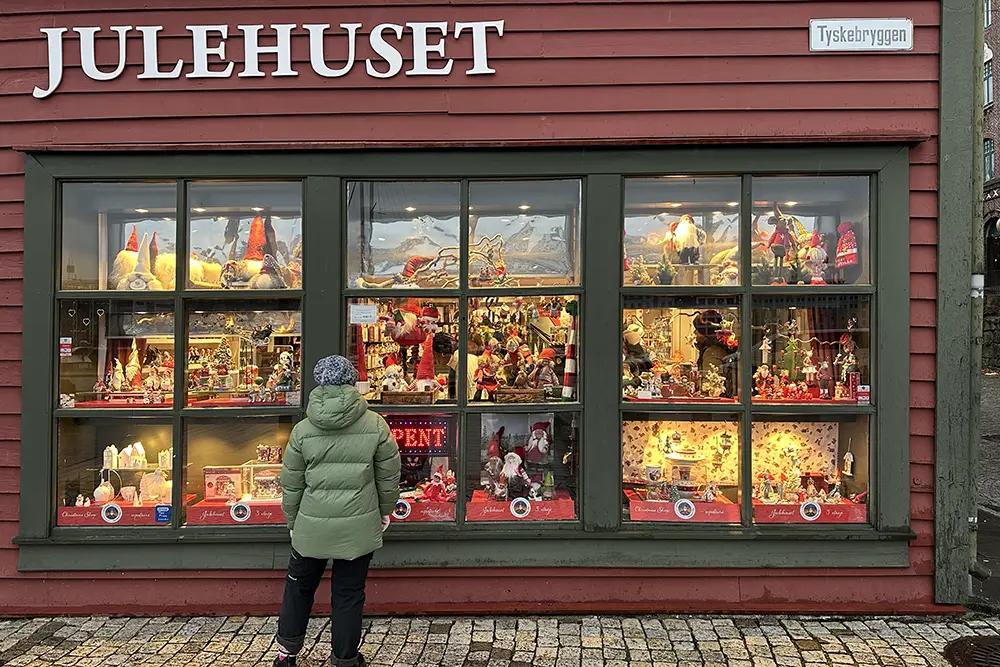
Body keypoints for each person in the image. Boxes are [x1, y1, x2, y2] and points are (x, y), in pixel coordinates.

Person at [274, 355, 401, 667]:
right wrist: (385, 511)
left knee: (298, 587)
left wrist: (293, 521)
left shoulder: (303, 430)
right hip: (358, 523)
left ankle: (285, 654)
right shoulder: (375, 424)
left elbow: (291, 483)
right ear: (352, 382)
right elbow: (388, 476)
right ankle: (345, 658)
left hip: (311, 523)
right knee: (348, 593)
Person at [431, 331, 479, 401]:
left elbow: (471, 396)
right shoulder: (458, 361)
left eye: (434, 354)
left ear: (441, 353)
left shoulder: (464, 362)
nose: (434, 358)